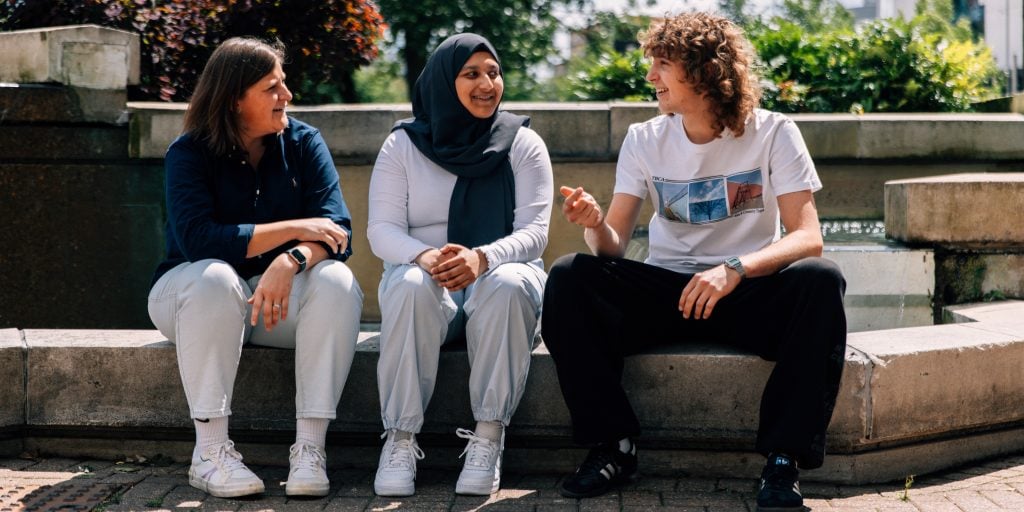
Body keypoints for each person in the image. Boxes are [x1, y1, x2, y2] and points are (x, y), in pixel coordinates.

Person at [541, 12, 847, 511]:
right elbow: (613, 247)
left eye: (662, 64)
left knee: (820, 279)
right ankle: (613, 445)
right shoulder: (645, 139)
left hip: (744, 292)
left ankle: (784, 460)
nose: (650, 77)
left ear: (704, 70)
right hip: (667, 294)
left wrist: (736, 268)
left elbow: (808, 237)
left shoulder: (773, 133)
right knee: (571, 276)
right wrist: (595, 222)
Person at [147, 37, 363, 498]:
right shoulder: (188, 152)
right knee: (214, 276)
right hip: (189, 297)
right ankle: (209, 452)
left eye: (284, 85)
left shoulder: (304, 143)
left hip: (269, 304)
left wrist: (292, 259)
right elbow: (201, 240)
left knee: (337, 282)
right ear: (233, 98)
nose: (286, 96)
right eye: (272, 87)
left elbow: (339, 231)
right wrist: (295, 228)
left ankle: (309, 449)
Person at [366, 33, 553, 497]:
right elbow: (381, 231)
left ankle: (489, 437)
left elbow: (535, 233)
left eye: (493, 72)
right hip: (429, 283)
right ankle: (400, 439)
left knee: (509, 283)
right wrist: (426, 256)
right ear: (443, 83)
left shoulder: (523, 144)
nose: (487, 83)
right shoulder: (403, 146)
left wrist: (483, 256)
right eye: (471, 74)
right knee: (409, 283)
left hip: (500, 277)